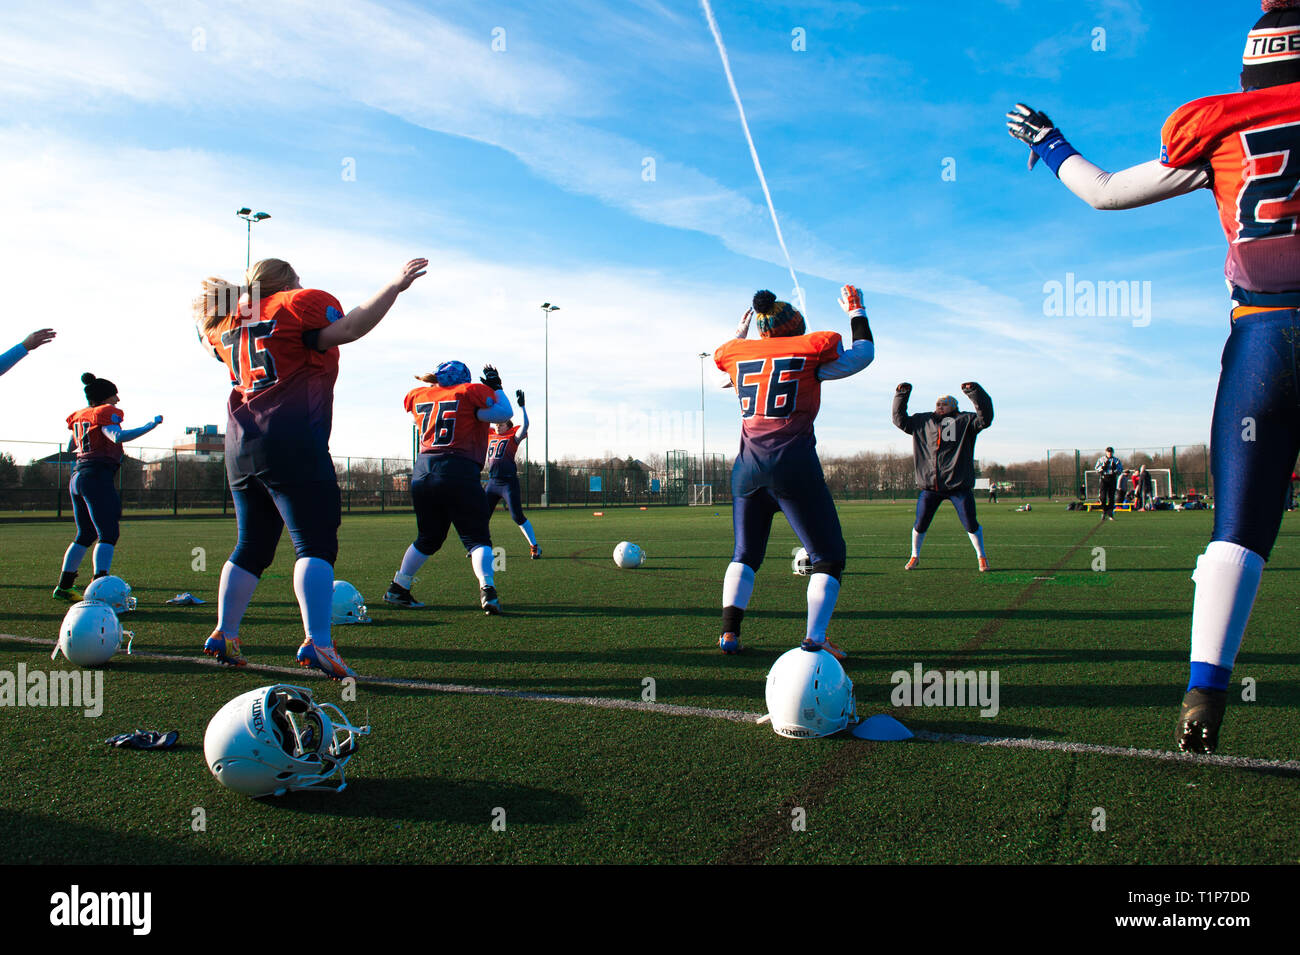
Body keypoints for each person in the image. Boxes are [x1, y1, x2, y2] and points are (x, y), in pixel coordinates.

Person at [1005, 0, 1300, 752]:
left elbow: (1104, 191)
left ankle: (1204, 689)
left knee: (1238, 530)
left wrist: (1051, 142)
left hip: (1264, 337)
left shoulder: (1224, 129)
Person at [193, 256, 428, 678]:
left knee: (252, 545)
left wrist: (241, 298)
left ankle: (225, 632)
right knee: (315, 544)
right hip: (291, 438)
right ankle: (318, 642)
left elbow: (218, 336)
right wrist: (394, 285)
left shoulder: (227, 320)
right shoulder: (295, 305)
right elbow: (352, 327)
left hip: (240, 445)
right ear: (285, 281)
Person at [713, 284, 875, 660]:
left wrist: (739, 335)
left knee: (745, 554)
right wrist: (856, 309)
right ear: (796, 326)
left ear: (760, 330)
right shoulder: (810, 353)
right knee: (828, 556)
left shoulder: (737, 356)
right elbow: (863, 355)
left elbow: (721, 374)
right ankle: (815, 638)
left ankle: (729, 633)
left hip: (747, 471)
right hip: (794, 468)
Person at [385, 363, 514, 613]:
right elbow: (504, 412)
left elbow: (420, 420)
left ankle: (399, 587)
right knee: (477, 539)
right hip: (457, 469)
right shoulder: (467, 394)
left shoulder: (420, 397)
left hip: (423, 471)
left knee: (428, 537)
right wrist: (496, 387)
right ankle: (488, 590)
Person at [54, 373, 163, 599]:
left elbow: (72, 444)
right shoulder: (104, 413)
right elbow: (117, 436)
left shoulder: (80, 416)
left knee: (85, 534)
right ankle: (99, 585)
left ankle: (64, 586)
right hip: (96, 476)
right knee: (108, 532)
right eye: (114, 394)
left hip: (78, 475)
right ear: (104, 396)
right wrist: (150, 426)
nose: (117, 400)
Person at [893, 384, 994, 572]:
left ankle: (981, 556)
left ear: (954, 406)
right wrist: (901, 394)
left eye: (945, 404)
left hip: (958, 485)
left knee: (970, 523)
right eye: (938, 403)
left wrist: (975, 392)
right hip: (931, 486)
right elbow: (899, 420)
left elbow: (985, 418)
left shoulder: (965, 420)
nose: (940, 406)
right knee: (920, 523)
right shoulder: (923, 421)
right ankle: (914, 555)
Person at [482, 388, 541, 559]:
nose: (497, 426)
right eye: (496, 424)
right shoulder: (491, 433)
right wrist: (488, 401)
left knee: (517, 516)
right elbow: (481, 420)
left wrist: (522, 407)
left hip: (508, 483)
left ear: (508, 424)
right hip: (492, 482)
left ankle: (534, 546)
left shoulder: (512, 436)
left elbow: (526, 425)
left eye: (501, 424)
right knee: (482, 516)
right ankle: (482, 547)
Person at [1095, 448, 1122, 520]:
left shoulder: (1116, 460)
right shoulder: (1101, 459)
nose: (1109, 453)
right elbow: (1096, 469)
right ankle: (1104, 511)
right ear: (1106, 452)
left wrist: (1115, 469)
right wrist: (1103, 467)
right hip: (1104, 478)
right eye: (1108, 452)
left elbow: (1120, 470)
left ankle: (1110, 513)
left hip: (1112, 478)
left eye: (1111, 452)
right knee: (1102, 497)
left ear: (1113, 453)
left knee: (1111, 497)